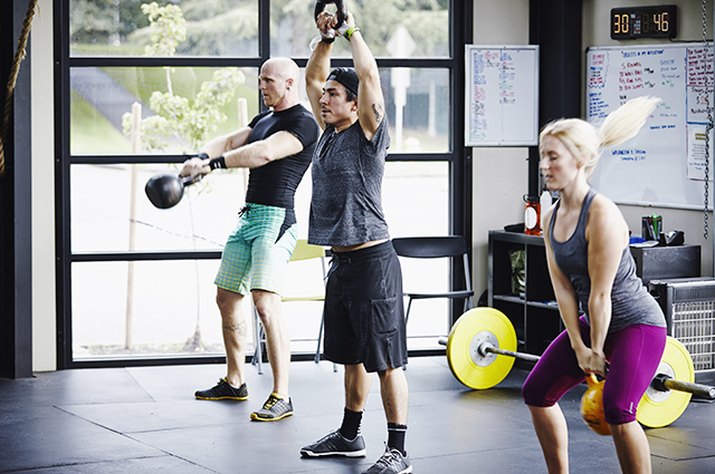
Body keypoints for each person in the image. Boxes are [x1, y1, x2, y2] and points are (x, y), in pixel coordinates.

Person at [522, 96, 668, 473]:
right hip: (594, 320)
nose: (545, 165)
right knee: (536, 392)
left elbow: (601, 294)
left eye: (553, 156)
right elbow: (564, 289)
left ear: (579, 160)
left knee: (619, 410)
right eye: (543, 156)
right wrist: (578, 345)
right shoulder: (552, 217)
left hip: (637, 323)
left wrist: (597, 349)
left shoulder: (600, 212)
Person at [298, 9, 412, 474]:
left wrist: (351, 31)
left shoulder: (368, 133)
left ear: (355, 104)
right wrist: (324, 38)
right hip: (341, 264)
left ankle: (398, 450)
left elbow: (368, 73)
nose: (324, 98)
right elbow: (310, 74)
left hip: (373, 262)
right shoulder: (327, 133)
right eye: (324, 94)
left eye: (333, 94)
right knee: (349, 357)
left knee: (385, 361)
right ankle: (349, 436)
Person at [181, 57, 320, 422]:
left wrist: (212, 166)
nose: (262, 86)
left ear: (291, 83)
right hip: (248, 217)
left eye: (269, 80)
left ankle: (282, 394)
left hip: (276, 221)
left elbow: (264, 153)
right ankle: (235, 380)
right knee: (226, 297)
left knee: (265, 303)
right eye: (260, 80)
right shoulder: (264, 119)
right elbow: (229, 140)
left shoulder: (304, 123)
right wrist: (199, 157)